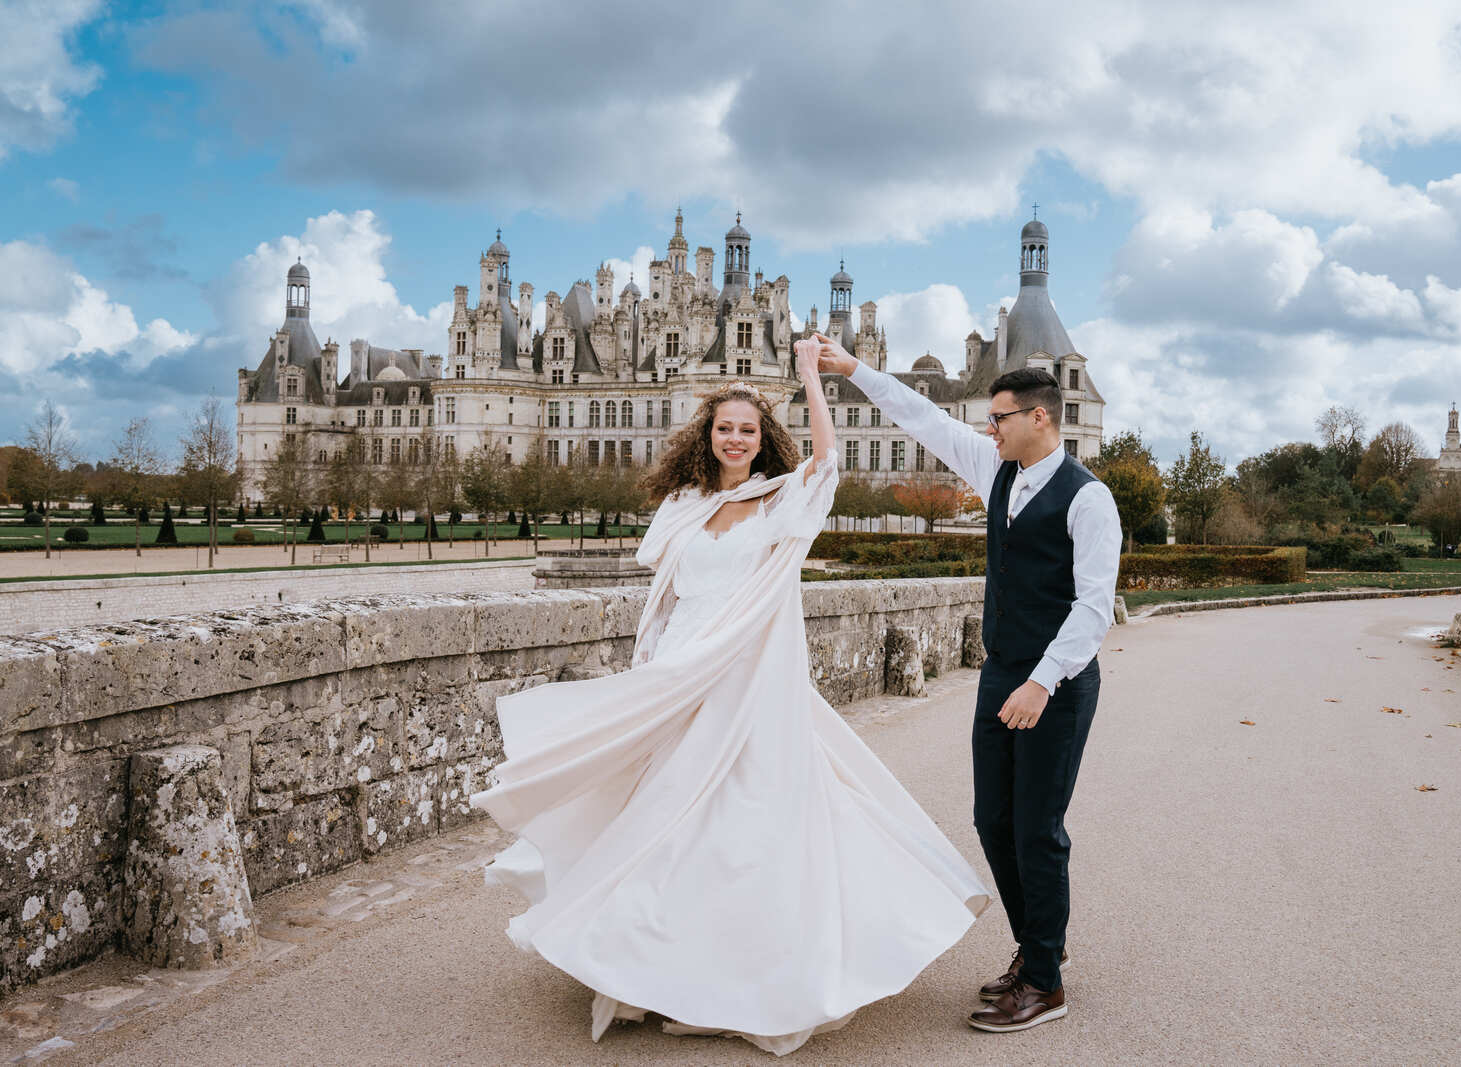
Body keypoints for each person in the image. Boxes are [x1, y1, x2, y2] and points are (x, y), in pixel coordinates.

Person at [473, 340, 988, 1056]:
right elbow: (667, 590)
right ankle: (662, 966)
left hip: (744, 666)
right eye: (725, 428)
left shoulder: (778, 496)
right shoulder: (686, 503)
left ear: (763, 439)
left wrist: (811, 376)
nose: (736, 439)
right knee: (666, 809)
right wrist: (651, 659)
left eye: (748, 429)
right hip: (681, 664)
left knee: (738, 812)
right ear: (705, 435)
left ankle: (733, 977)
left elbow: (829, 464)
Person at [814, 333, 1121, 1034]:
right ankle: (1039, 942)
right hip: (1002, 674)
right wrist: (853, 368)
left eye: (1001, 416)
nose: (990, 427)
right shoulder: (997, 468)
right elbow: (924, 419)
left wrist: (1041, 683)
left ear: (1040, 417)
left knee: (1038, 829)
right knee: (992, 820)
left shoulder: (1089, 499)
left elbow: (1093, 607)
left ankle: (1045, 980)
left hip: (1057, 683)